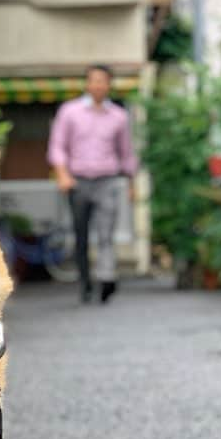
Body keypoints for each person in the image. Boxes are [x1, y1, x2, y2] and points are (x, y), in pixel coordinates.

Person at [47, 64, 138, 304]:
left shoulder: (119, 116)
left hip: (107, 180)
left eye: (103, 81)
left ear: (109, 85)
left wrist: (131, 182)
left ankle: (106, 278)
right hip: (78, 181)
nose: (98, 85)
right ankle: (85, 282)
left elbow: (126, 152)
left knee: (106, 233)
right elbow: (57, 146)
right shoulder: (70, 112)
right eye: (94, 81)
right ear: (87, 84)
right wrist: (62, 174)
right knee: (81, 234)